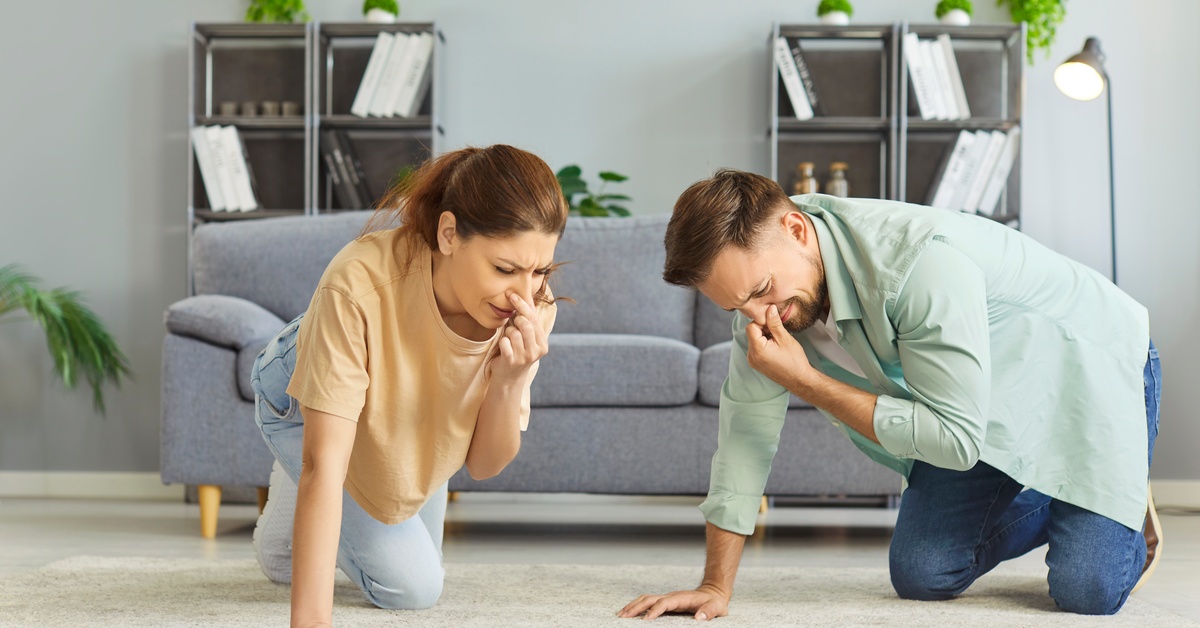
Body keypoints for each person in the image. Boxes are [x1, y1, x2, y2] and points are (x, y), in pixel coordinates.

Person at [619, 169, 1161, 620]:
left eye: (762, 291)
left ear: (796, 228)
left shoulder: (918, 265)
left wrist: (805, 379)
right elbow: (745, 438)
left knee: (1086, 590)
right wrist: (715, 586)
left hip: (1088, 373)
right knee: (923, 573)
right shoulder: (764, 298)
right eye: (736, 306)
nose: (759, 317)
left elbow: (951, 439)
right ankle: (1062, 489)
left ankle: (1116, 495)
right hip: (974, 409)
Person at [250, 144, 567, 627]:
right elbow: (325, 465)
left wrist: (509, 380)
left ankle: (304, 483)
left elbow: (483, 465)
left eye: (539, 270)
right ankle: (288, 493)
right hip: (298, 390)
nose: (524, 294)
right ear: (448, 234)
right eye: (504, 269)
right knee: (413, 588)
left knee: (417, 569)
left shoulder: (530, 307)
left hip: (405, 406)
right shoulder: (357, 281)